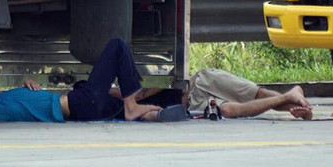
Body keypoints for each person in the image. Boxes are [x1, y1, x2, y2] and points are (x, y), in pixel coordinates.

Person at [0, 38, 189, 123]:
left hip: (83, 109)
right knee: (117, 46)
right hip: (80, 103)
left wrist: (30, 89)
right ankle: (133, 107)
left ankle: (153, 113)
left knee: (97, 93)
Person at [133, 68, 314, 120]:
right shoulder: (123, 109)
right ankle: (290, 97)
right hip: (192, 105)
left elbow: (163, 77)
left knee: (256, 93)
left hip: (198, 81)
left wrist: (136, 94)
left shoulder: (125, 86)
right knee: (228, 111)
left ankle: (300, 107)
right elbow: (148, 115)